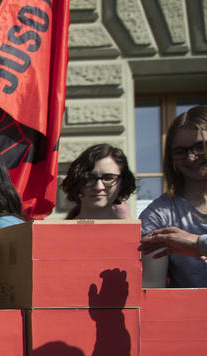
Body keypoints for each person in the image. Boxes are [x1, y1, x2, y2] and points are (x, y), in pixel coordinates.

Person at [139, 105, 207, 288]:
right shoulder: (159, 215)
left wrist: (197, 243)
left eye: (200, 147)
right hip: (188, 314)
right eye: (180, 151)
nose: (191, 157)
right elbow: (152, 287)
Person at [60, 144, 137, 220]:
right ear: (76, 181)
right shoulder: (59, 232)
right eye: (90, 178)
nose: (99, 187)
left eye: (108, 178)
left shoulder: (132, 231)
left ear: (123, 182)